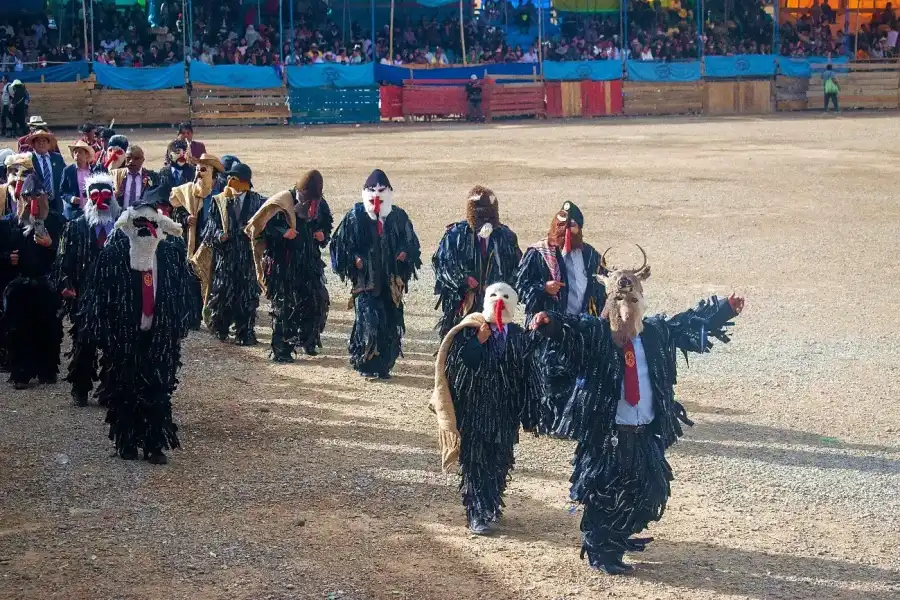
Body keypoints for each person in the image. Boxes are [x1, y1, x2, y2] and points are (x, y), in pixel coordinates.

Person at [528, 248, 744, 574]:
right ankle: (602, 551)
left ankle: (620, 532)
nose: (624, 309)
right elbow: (571, 329)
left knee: (649, 491)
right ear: (608, 303)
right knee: (603, 494)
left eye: (630, 302)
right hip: (608, 435)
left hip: (643, 433)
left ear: (642, 302)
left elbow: (688, 324)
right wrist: (549, 323)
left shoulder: (655, 334)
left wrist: (724, 310)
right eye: (617, 302)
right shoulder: (597, 335)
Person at [76, 186, 191, 464]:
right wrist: (103, 332)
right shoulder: (113, 256)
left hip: (158, 336)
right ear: (128, 225)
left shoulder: (169, 256)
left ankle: (153, 445)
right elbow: (98, 296)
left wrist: (177, 327)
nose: (145, 231)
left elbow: (182, 293)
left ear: (159, 226)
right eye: (138, 224)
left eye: (150, 225)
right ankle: (126, 441)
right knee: (124, 389)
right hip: (124, 336)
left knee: (157, 390)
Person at [431, 282, 538, 534]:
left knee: (499, 461)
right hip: (475, 412)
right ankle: (476, 512)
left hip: (504, 413)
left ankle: (490, 505)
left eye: (505, 297)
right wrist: (477, 342)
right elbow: (458, 368)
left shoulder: (519, 336)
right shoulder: (469, 330)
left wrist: (528, 411)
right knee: (476, 461)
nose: (499, 301)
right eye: (494, 296)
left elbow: (528, 375)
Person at [514, 201, 607, 434]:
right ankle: (548, 422)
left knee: (579, 373)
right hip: (548, 325)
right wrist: (544, 288)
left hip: (580, 325)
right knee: (549, 373)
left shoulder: (590, 255)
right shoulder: (538, 253)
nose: (565, 231)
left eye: (571, 226)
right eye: (561, 225)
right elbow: (520, 285)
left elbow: (603, 287)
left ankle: (574, 422)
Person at [330, 169, 422, 379]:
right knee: (368, 323)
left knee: (390, 324)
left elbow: (412, 244)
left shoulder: (398, 216)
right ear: (365, 192)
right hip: (366, 283)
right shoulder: (355, 216)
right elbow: (339, 246)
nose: (377, 194)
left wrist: (404, 253)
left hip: (390, 284)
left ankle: (384, 366)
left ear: (389, 192)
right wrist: (354, 259)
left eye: (381, 190)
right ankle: (365, 363)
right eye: (372, 190)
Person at [245, 170, 333, 362]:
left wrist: (322, 235)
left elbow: (326, 226)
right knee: (284, 307)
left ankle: (308, 340)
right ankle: (281, 350)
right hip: (282, 264)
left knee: (315, 301)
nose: (309, 203)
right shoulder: (282, 202)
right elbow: (262, 227)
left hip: (309, 262)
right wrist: (283, 232)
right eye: (307, 199)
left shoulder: (320, 204)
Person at [55, 173, 121, 406]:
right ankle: (80, 387)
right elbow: (65, 260)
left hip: (117, 293)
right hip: (86, 294)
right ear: (87, 198)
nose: (100, 202)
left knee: (115, 344)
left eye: (106, 196)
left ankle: (109, 388)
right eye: (95, 196)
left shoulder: (122, 226)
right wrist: (66, 284)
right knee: (84, 343)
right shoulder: (76, 227)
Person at [432, 186, 521, 339]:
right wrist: (463, 279)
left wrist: (502, 288)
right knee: (462, 343)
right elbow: (442, 264)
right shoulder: (455, 236)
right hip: (464, 304)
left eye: (490, 216)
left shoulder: (506, 237)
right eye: (481, 216)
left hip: (496, 305)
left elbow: (517, 267)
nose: (486, 221)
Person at [2, 174, 64, 389]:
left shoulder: (56, 220)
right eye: (28, 196)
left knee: (49, 328)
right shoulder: (12, 222)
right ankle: (21, 372)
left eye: (38, 195)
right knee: (20, 329)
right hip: (20, 284)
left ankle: (47, 370)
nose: (33, 200)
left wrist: (51, 244)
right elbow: (2, 250)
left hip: (47, 284)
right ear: (22, 198)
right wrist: (8, 257)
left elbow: (68, 255)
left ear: (46, 195)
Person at [200, 162, 266, 345]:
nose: (229, 181)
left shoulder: (258, 202)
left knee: (247, 295)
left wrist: (254, 232)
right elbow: (209, 227)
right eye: (228, 177)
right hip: (226, 257)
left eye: (233, 178)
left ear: (244, 182)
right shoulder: (219, 201)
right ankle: (220, 328)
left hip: (248, 258)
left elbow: (265, 228)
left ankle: (245, 332)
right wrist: (219, 235)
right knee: (221, 292)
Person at [168, 153, 224, 329]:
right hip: (195, 240)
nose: (199, 174)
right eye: (198, 169)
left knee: (215, 281)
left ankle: (213, 318)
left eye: (204, 170)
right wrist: (186, 220)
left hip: (216, 243)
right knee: (193, 280)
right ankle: (193, 318)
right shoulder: (188, 192)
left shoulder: (222, 193)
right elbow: (176, 212)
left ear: (214, 174)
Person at [29, 129, 65, 215]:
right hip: (36, 204)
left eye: (44, 141)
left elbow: (64, 176)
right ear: (33, 144)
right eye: (38, 141)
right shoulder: (28, 160)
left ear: (49, 144)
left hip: (56, 203)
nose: (41, 143)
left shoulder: (57, 158)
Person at [59, 140, 95, 220]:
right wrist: (71, 198)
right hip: (74, 212)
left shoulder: (94, 171)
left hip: (92, 211)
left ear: (87, 155)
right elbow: (62, 191)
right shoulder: (68, 171)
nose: (77, 154)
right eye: (75, 152)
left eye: (80, 152)